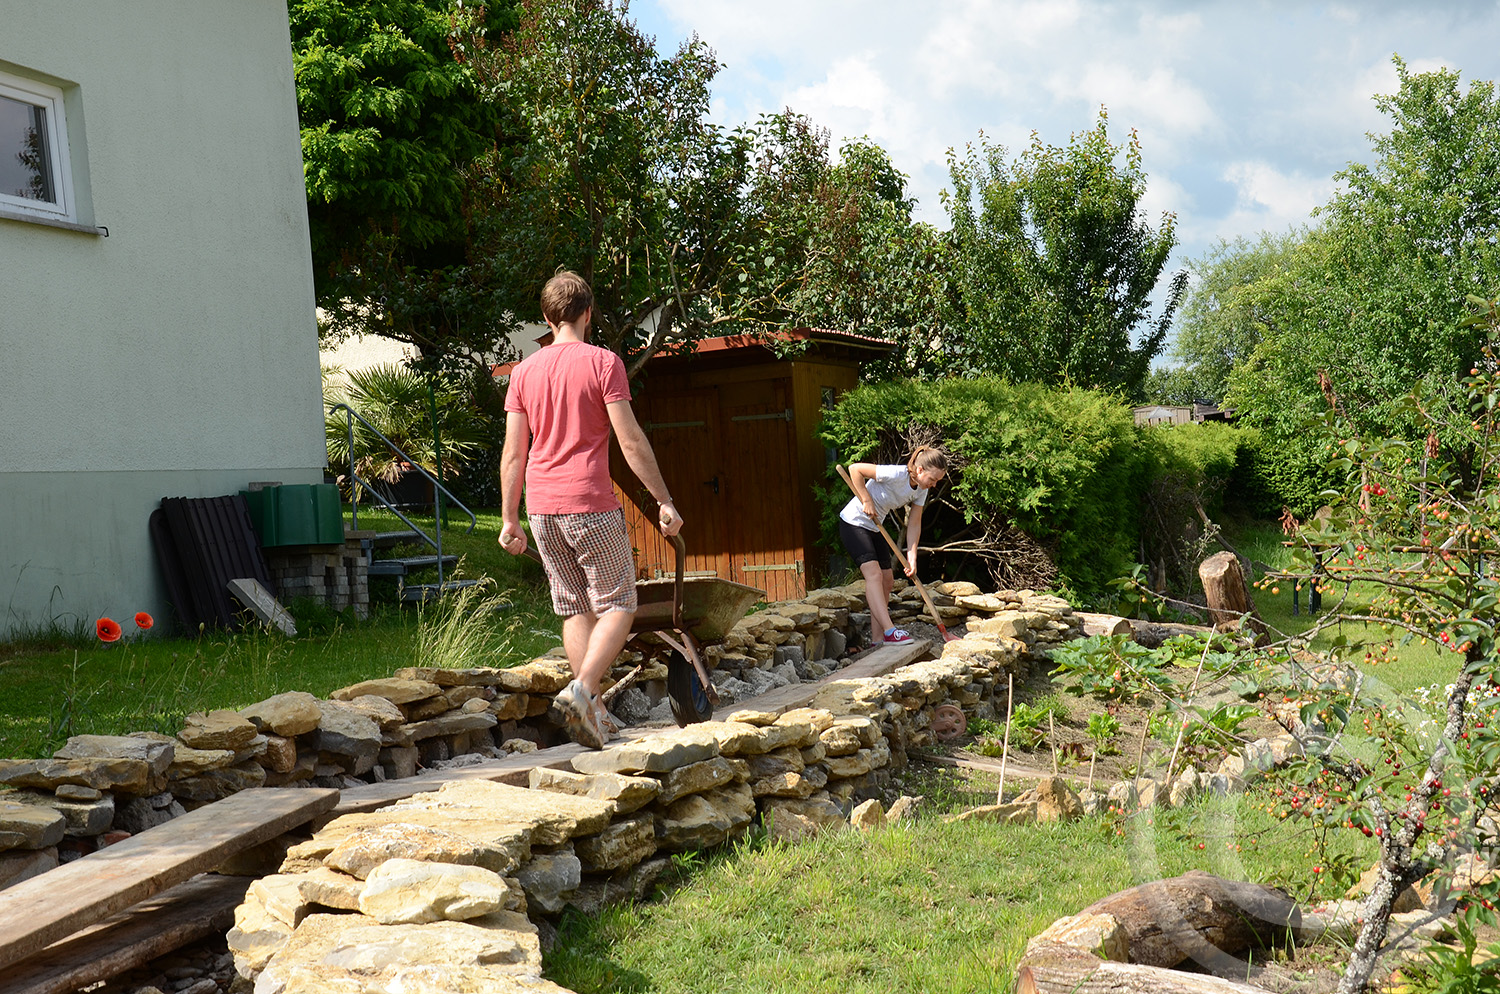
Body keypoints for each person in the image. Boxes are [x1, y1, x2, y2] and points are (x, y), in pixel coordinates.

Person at [498, 270, 682, 749]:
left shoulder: (523, 373)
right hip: (589, 504)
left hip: (540, 509)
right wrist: (663, 500)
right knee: (619, 603)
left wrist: (509, 517)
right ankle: (581, 690)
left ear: (546, 317)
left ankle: (593, 710)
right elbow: (630, 440)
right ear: (588, 313)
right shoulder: (604, 363)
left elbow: (514, 453)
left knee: (574, 605)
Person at [838, 447, 948, 646]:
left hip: (874, 526)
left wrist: (912, 557)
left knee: (887, 580)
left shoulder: (921, 491)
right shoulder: (896, 474)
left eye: (937, 481)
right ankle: (890, 631)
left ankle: (878, 640)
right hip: (854, 523)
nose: (934, 485)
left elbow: (914, 523)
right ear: (920, 470)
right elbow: (855, 469)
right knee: (874, 575)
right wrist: (866, 499)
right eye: (933, 479)